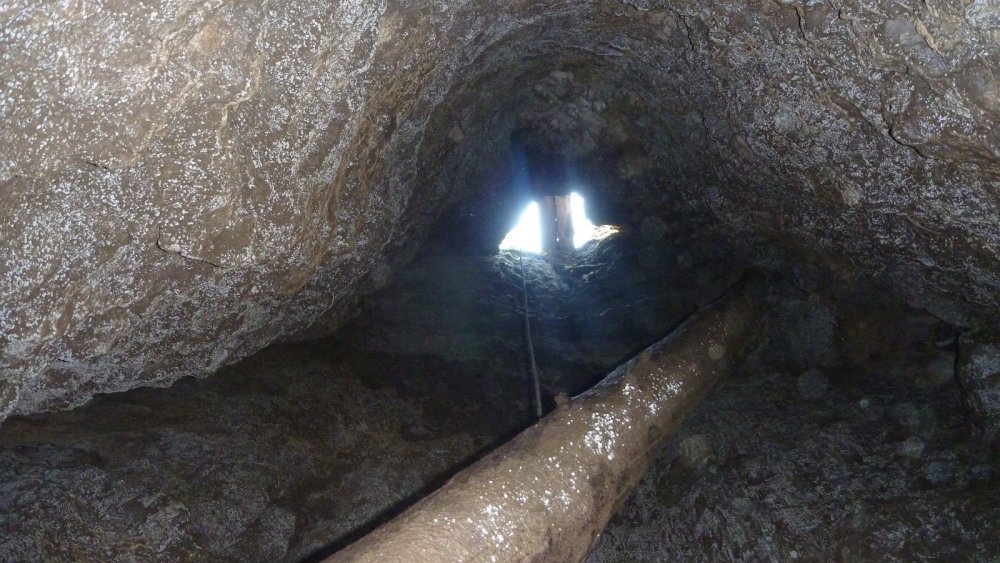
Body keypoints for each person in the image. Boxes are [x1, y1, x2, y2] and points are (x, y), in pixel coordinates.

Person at [514, 132, 573, 259]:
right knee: (550, 218)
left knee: (560, 217)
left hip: (557, 185)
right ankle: (552, 248)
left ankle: (564, 247)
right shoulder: (538, 146)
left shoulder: (546, 146)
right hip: (551, 185)